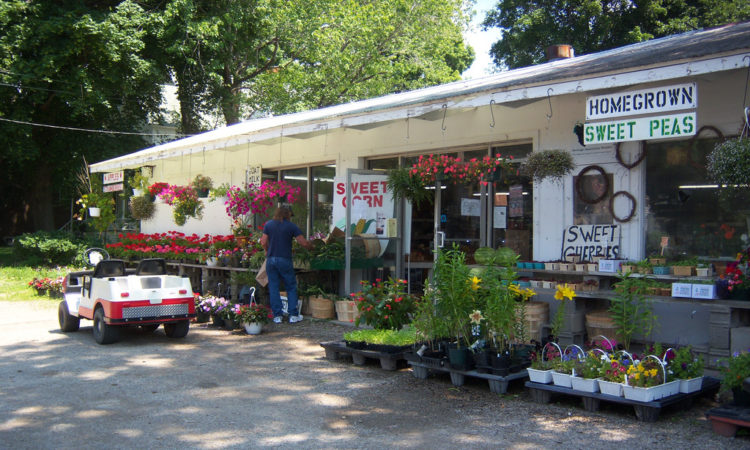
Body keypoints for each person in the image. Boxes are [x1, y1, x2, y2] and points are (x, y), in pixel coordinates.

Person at [260, 206, 312, 323]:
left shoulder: (269, 224)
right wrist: (312, 247)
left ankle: (277, 316)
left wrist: (267, 250)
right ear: (288, 214)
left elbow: (263, 241)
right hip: (284, 259)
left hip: (271, 260)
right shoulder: (291, 226)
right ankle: (293, 315)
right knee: (291, 286)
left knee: (273, 287)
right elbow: (303, 243)